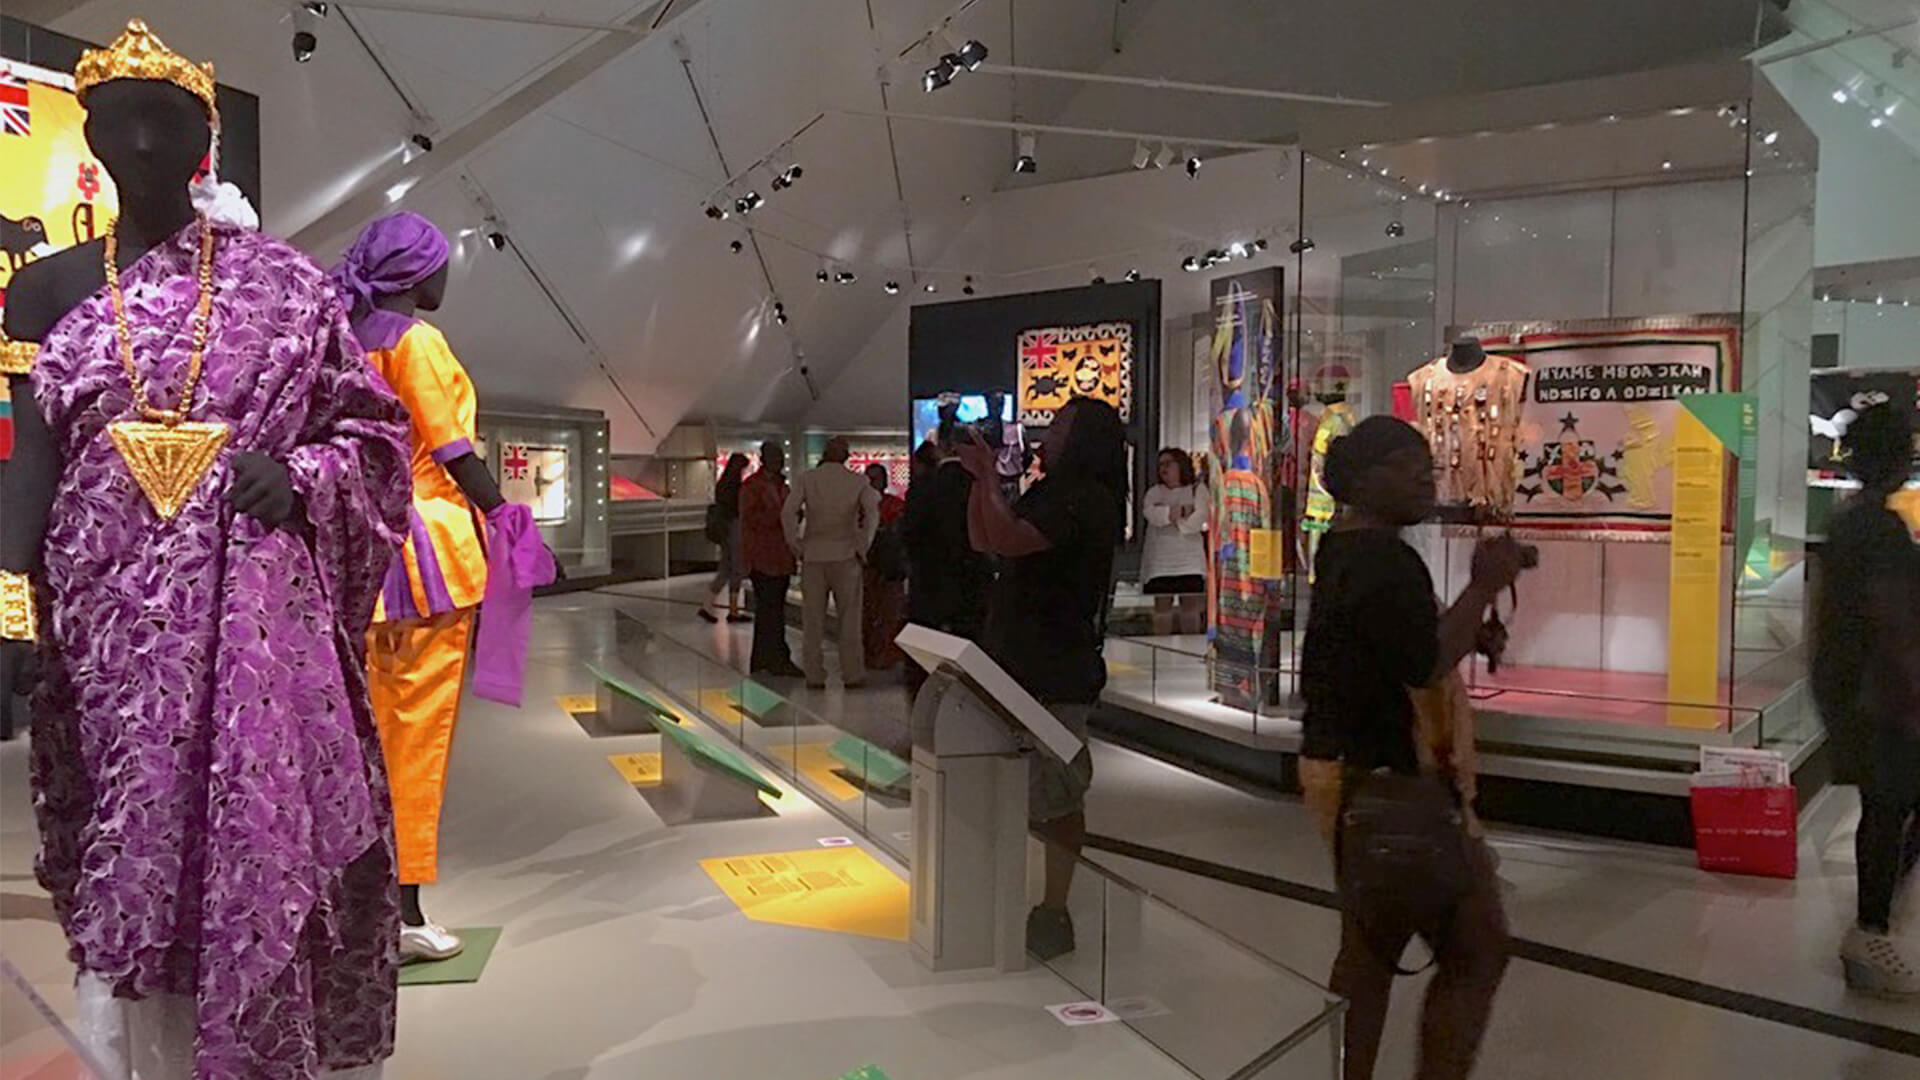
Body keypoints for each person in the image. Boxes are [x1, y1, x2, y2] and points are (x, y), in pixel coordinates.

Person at [0, 21, 409, 1077]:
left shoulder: (285, 285)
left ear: (204, 144)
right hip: (108, 632)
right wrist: (9, 600)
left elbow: (369, 434)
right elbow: (30, 459)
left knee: (257, 835)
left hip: (256, 632)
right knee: (130, 848)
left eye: (166, 120)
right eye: (117, 121)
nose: (140, 142)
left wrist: (302, 477)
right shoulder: (42, 292)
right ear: (86, 136)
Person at [330, 211, 554, 964]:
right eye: (438, 263)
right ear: (412, 274)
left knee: (357, 739)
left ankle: (350, 907)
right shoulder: (414, 341)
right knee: (413, 740)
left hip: (360, 553)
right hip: (425, 559)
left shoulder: (345, 339)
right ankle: (401, 916)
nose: (446, 276)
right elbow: (451, 446)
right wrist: (504, 516)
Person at [1296, 416, 1529, 1080]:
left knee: (1370, 950)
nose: (1427, 479)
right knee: (1478, 948)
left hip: (1350, 772)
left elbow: (1392, 642)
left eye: (1429, 466)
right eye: (1409, 467)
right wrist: (1483, 584)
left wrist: (1466, 635)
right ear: (1366, 480)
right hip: (1390, 777)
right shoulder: (1382, 558)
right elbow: (1420, 662)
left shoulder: (1346, 549)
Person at [959, 396, 1125, 962]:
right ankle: (1021, 895)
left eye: (1059, 424)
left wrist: (988, 479)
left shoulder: (1087, 500)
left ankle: (1054, 907)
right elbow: (985, 540)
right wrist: (985, 485)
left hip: (1055, 664)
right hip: (1015, 657)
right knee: (1026, 785)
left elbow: (1007, 540)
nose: (1047, 432)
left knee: (1057, 790)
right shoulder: (1053, 490)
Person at [1814, 402, 1920, 996]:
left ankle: (1873, 922)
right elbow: (1889, 617)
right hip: (1878, 694)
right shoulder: (1875, 528)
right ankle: (1870, 925)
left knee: (1887, 805)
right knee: (1887, 807)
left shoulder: (1857, 521)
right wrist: (1910, 692)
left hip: (1861, 690)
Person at [783, 436, 880, 688]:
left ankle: (814, 674)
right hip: (846, 555)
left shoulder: (807, 479)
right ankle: (852, 673)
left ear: (825, 454)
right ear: (846, 456)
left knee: (812, 619)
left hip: (814, 555)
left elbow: (788, 511)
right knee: (849, 619)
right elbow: (872, 512)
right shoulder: (857, 481)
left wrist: (795, 543)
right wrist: (863, 544)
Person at [741, 440, 803, 677]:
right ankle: (768, 658)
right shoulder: (753, 487)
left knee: (775, 610)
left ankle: (772, 657)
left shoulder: (782, 487)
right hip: (763, 557)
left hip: (781, 555)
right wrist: (778, 518)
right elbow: (750, 520)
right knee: (768, 610)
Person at [1140, 446, 1210, 635]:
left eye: (1168, 463)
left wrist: (1173, 515)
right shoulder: (1154, 492)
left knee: (1190, 607)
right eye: (1160, 464)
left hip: (1190, 562)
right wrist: (1179, 512)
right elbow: (1151, 514)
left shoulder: (1197, 490)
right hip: (1161, 562)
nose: (1163, 468)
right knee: (1162, 608)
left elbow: (1198, 518)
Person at [862, 462, 909, 672]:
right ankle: (870, 653)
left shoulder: (895, 505)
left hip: (890, 570)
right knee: (868, 613)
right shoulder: (859, 508)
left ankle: (885, 653)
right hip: (867, 568)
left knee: (890, 613)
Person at [701, 451, 752, 624]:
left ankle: (707, 604)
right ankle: (733, 610)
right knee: (736, 568)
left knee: (725, 568)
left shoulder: (722, 485)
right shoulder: (737, 487)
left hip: (723, 530)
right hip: (734, 528)